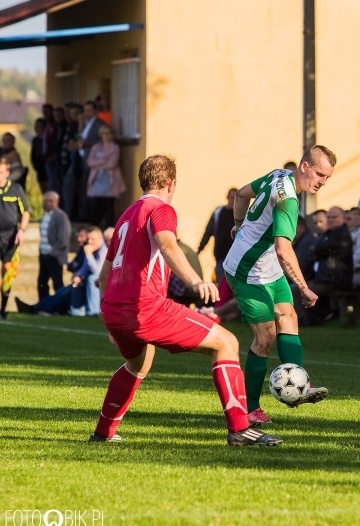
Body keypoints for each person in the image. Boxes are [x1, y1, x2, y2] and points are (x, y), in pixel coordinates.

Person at [90, 154, 280, 446]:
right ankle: (240, 429)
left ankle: (103, 433)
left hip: (115, 310)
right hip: (146, 308)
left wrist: (110, 320)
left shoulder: (127, 215)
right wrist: (197, 281)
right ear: (171, 183)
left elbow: (104, 274)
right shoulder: (162, 209)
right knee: (227, 343)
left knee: (138, 365)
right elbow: (167, 245)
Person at [224, 146, 335, 426]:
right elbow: (283, 248)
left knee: (289, 317)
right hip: (246, 271)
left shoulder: (278, 174)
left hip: (268, 267)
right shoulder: (288, 200)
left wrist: (238, 224)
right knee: (265, 338)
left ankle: (299, 383)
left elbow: (240, 195)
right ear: (305, 167)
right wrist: (304, 287)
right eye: (320, 174)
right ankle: (250, 408)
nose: (322, 181)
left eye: (328, 177)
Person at [0, 157, 30, 320]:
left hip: (10, 237)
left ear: (7, 173)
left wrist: (21, 230)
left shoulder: (15, 189)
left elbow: (25, 211)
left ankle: (3, 309)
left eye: (1, 172)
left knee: (6, 272)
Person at [86, 125, 126, 228]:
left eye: (108, 133)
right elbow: (90, 162)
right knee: (94, 204)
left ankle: (108, 227)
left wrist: (98, 163)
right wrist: (104, 161)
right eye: (103, 133)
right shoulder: (96, 147)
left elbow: (112, 164)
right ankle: (94, 227)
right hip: (96, 179)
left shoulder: (115, 147)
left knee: (108, 205)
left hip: (109, 180)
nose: (105, 135)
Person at [197, 188, 237, 283]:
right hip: (221, 258)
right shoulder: (218, 213)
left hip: (236, 258)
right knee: (221, 284)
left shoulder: (240, 214)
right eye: (232, 198)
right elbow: (208, 232)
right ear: (227, 197)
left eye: (236, 199)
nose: (233, 201)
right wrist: (200, 249)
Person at [37, 191, 71, 300]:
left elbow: (63, 239)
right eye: (46, 201)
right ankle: (43, 304)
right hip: (43, 254)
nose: (47, 203)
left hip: (54, 256)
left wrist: (52, 252)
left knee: (57, 282)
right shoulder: (45, 215)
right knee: (42, 282)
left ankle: (59, 306)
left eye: (50, 201)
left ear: (56, 202)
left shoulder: (61, 216)